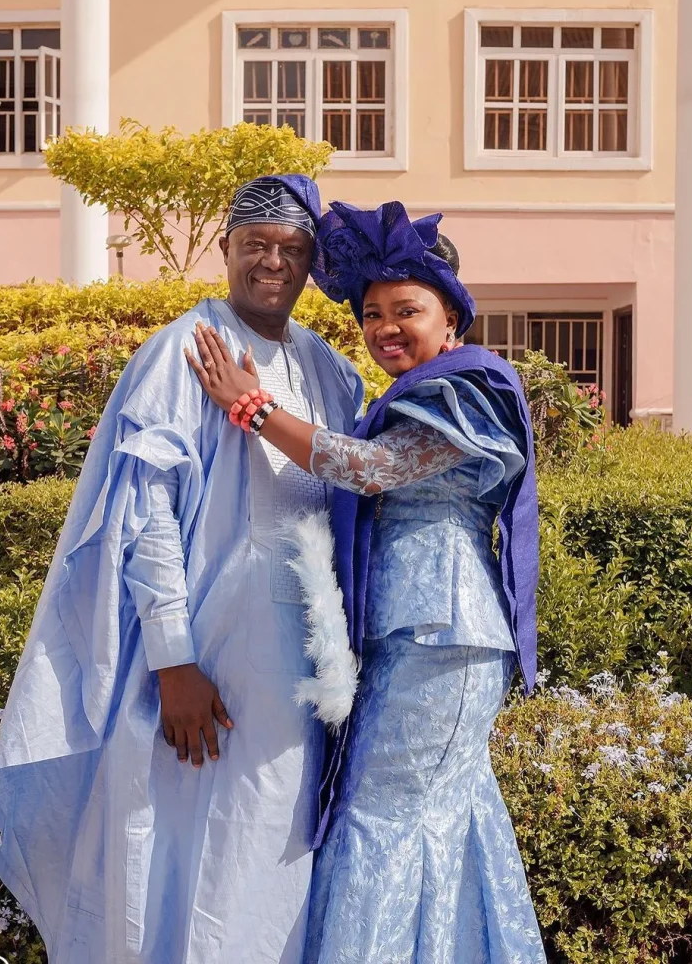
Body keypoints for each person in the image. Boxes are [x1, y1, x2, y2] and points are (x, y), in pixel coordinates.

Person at [0, 175, 364, 964]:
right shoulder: (183, 351)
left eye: (291, 249)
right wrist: (173, 659)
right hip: (213, 648)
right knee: (195, 840)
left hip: (306, 652)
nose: (272, 262)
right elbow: (144, 513)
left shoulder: (327, 367)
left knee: (277, 835)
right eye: (254, 244)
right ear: (224, 250)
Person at [188, 200, 547, 963]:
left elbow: (374, 471)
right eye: (372, 313)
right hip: (411, 635)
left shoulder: (468, 387)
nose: (386, 326)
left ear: (450, 316)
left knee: (380, 817)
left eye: (406, 310)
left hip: (442, 632)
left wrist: (251, 407)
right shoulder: (406, 392)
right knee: (435, 815)